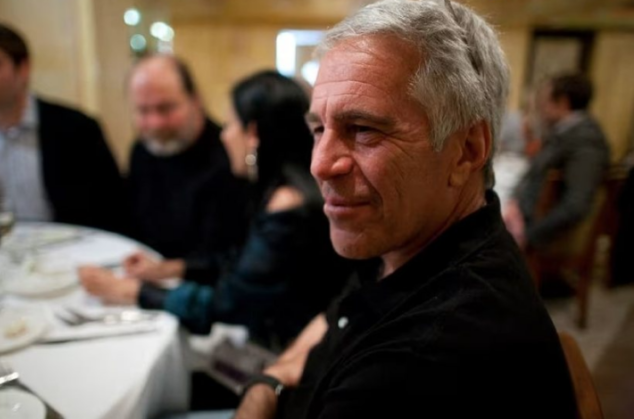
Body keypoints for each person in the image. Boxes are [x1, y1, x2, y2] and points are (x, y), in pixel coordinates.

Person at [232, 1, 576, 418]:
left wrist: (261, 390)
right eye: (319, 129)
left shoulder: (423, 360)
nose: (319, 165)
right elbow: (336, 315)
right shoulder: (407, 239)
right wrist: (271, 379)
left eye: (363, 129)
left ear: (466, 151)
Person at [81, 71, 350, 349]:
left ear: (252, 133)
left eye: (230, 124)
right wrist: (168, 269)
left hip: (290, 348)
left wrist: (132, 291)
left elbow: (232, 302)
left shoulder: (287, 203)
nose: (224, 135)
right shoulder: (285, 188)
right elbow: (244, 265)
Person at [0, 22, 124, 232]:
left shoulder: (76, 126)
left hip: (67, 241)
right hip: (1, 240)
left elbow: (112, 203)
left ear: (23, 68)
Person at [124, 55, 250, 269]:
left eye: (165, 108)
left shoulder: (229, 158)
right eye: (143, 110)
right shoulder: (141, 150)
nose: (155, 123)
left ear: (195, 100)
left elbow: (228, 257)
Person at [504, 73, 611, 249]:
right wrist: (514, 203)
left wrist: (528, 237)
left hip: (533, 235)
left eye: (544, 100)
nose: (540, 107)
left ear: (562, 102)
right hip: (519, 218)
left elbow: (576, 205)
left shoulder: (586, 142)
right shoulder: (564, 132)